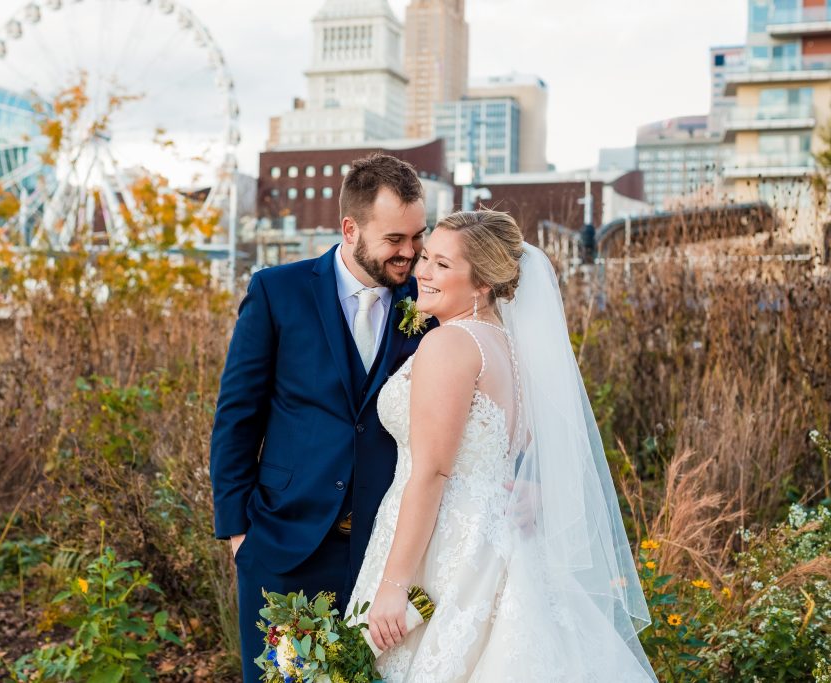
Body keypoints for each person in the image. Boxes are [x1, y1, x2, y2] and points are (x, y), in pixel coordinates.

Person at [349, 210, 657, 682]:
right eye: (426, 258)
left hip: (443, 548)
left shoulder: (448, 344)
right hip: (499, 540)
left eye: (442, 265)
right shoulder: (509, 346)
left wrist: (393, 585)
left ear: (483, 284)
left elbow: (431, 472)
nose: (422, 272)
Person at [209, 153, 432, 681]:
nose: (410, 253)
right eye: (395, 239)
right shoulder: (277, 292)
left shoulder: (426, 302)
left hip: (383, 552)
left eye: (417, 236)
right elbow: (237, 416)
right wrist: (239, 534)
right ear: (350, 228)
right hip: (283, 543)